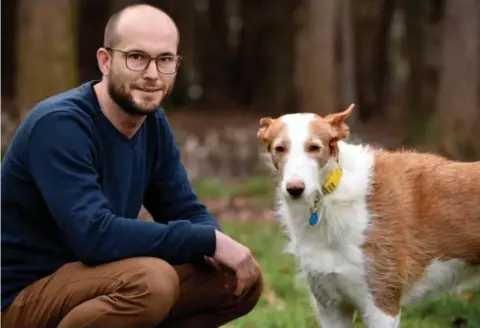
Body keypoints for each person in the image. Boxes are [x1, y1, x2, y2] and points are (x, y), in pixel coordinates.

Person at [1, 3, 263, 328]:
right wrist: (206, 240)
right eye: (137, 57)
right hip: (21, 298)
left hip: (94, 280)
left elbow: (182, 206)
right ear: (105, 61)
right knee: (150, 283)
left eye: (165, 59)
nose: (152, 74)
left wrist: (218, 243)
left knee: (235, 280)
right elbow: (94, 235)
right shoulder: (59, 125)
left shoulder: (151, 124)